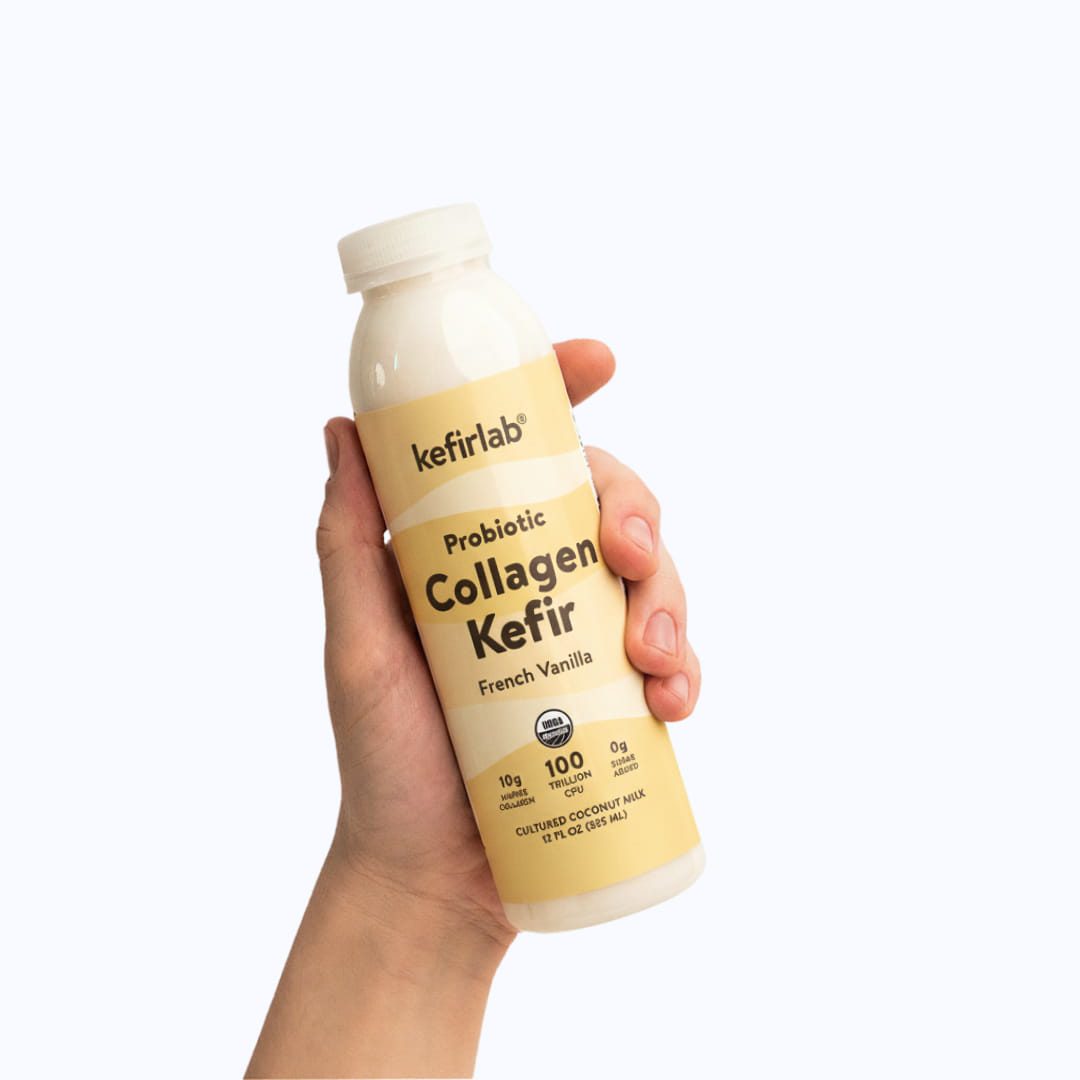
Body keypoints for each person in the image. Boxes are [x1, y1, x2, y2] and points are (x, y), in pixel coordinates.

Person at [246, 340, 701, 1078]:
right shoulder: (397, 357)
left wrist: (416, 898)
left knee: (562, 549)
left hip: (606, 789)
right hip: (490, 817)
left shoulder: (465, 336)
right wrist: (410, 887)